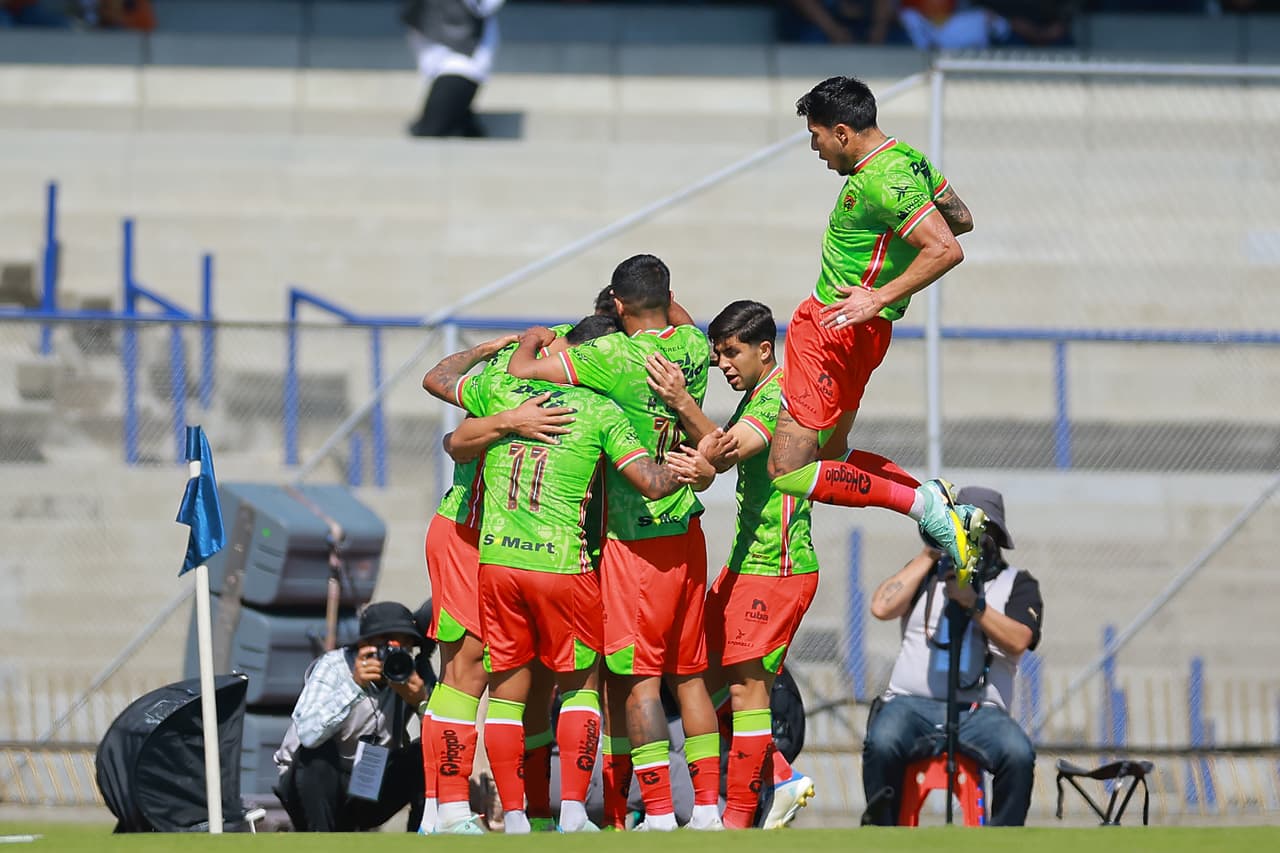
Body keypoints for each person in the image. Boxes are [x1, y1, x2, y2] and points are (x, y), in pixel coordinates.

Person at [424, 315, 688, 834]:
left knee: (516, 682)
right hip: (484, 538)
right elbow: (454, 439)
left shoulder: (505, 382)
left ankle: (522, 816)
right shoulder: (590, 404)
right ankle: (456, 810)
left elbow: (441, 392)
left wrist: (498, 355)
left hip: (500, 551)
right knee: (484, 673)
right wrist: (698, 459)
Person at [505, 255, 724, 832]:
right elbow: (674, 313)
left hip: (634, 537)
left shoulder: (609, 355)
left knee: (639, 680)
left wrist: (537, 339)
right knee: (691, 675)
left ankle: (655, 813)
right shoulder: (694, 348)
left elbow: (529, 371)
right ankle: (705, 810)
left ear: (618, 307)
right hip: (688, 532)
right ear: (669, 296)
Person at [766, 75, 988, 585]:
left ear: (842, 132)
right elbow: (961, 218)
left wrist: (878, 293)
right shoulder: (907, 159)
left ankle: (924, 506)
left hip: (832, 330)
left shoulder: (879, 180)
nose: (816, 149)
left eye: (816, 136)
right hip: (862, 334)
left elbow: (947, 247)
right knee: (832, 456)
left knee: (787, 473)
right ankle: (935, 501)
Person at [646, 300, 819, 830]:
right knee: (692, 675)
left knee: (746, 691)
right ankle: (781, 775)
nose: (722, 363)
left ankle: (738, 821)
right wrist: (659, 304)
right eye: (718, 351)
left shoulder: (783, 398)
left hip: (777, 566)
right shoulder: (756, 393)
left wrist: (679, 401)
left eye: (731, 352)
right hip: (745, 564)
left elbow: (722, 454)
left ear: (764, 349)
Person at [861, 486, 1043, 826]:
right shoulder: (926, 571)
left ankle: (1005, 841)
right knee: (882, 741)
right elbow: (881, 606)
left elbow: (1020, 640)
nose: (970, 539)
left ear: (995, 536)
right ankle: (883, 835)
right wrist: (931, 550)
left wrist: (974, 605)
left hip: (980, 712)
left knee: (1018, 754)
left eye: (977, 531)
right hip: (910, 704)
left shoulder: (1016, 583)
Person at [273, 601, 432, 832]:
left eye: (404, 647)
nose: (395, 655)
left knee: (423, 755)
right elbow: (307, 734)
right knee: (318, 753)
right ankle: (322, 844)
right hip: (308, 787)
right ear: (364, 645)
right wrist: (355, 687)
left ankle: (419, 841)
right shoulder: (334, 666)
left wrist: (420, 703)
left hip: (368, 786)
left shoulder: (413, 673)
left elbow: (445, 742)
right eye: (387, 647)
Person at [401, 0, 503, 138]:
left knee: (429, 132)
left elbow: (484, 6)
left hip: (460, 64)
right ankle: (464, 122)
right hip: (435, 62)